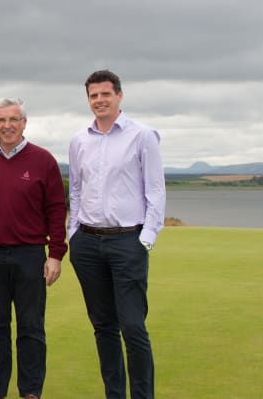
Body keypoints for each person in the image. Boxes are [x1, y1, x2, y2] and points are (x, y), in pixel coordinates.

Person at [68, 70, 165, 399]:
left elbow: (155, 191)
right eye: (93, 96)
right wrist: (73, 234)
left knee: (133, 327)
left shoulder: (142, 136)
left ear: (119, 96)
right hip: (87, 243)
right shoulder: (79, 140)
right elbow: (77, 191)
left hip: (128, 241)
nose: (99, 101)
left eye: (105, 94)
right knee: (103, 327)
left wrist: (146, 238)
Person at [0, 98, 67, 399]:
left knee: (31, 328)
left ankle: (30, 391)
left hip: (30, 255)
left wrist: (55, 254)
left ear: (24, 123)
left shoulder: (44, 160)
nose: (7, 126)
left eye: (13, 120)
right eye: (1, 120)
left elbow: (56, 208)